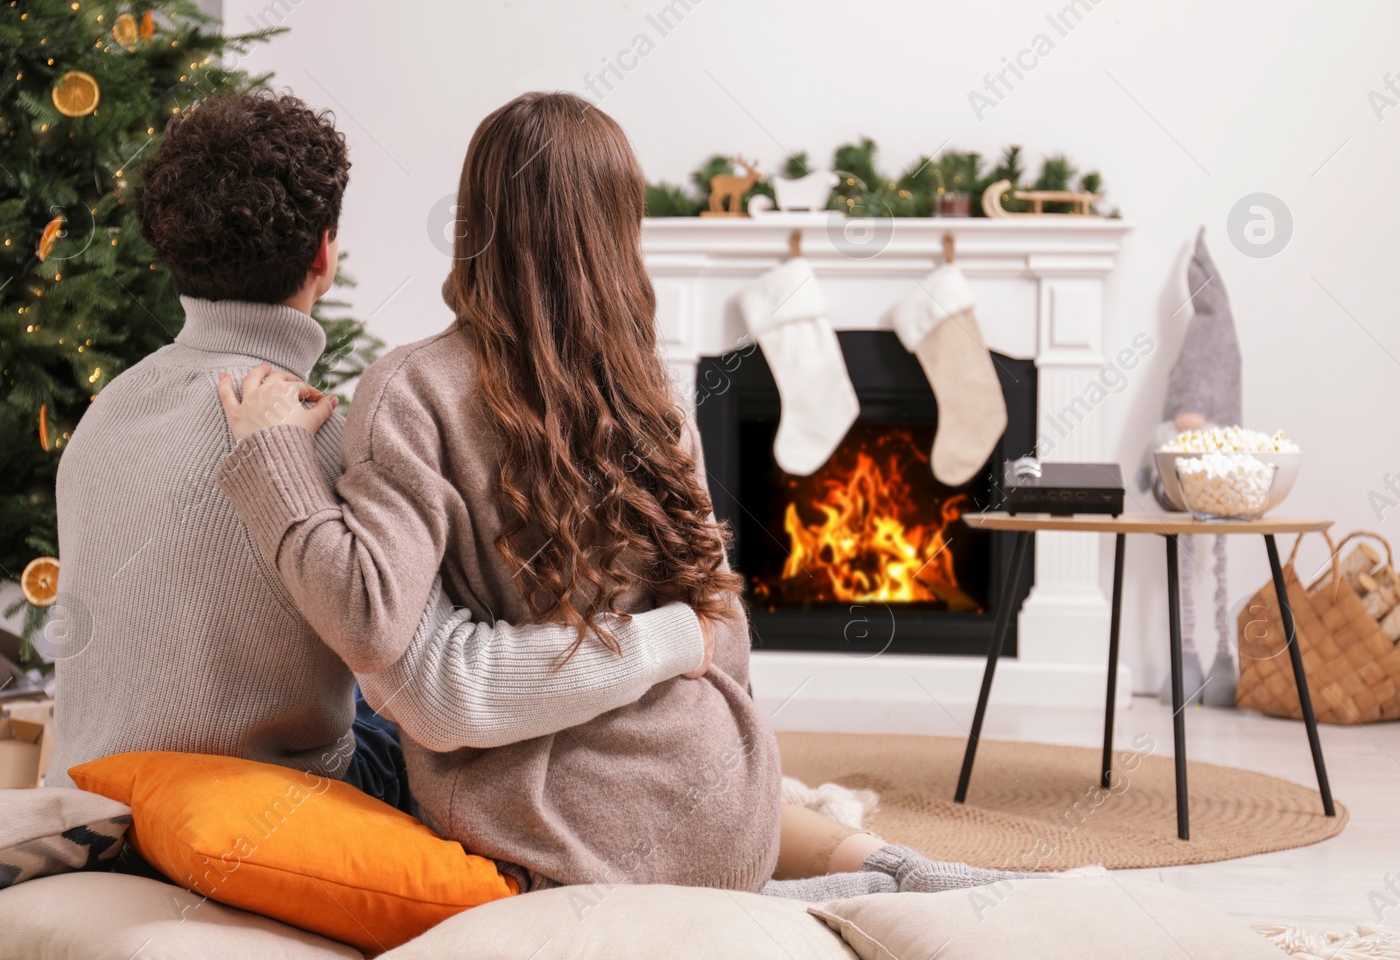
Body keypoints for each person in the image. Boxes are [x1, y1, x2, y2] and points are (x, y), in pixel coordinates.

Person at [215, 91, 1050, 900]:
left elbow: (368, 619)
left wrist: (272, 457)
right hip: (728, 801)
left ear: (474, 223)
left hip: (559, 834)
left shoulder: (412, 387)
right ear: (620, 232)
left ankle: (825, 896)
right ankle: (873, 882)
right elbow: (719, 637)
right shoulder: (648, 394)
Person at [48, 91, 717, 805]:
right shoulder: (326, 442)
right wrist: (672, 637)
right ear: (324, 253)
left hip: (92, 790)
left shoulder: (105, 413)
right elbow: (425, 674)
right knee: (429, 723)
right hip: (275, 797)